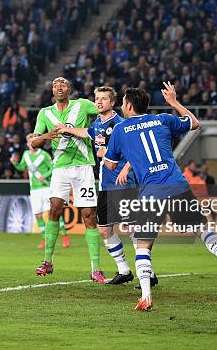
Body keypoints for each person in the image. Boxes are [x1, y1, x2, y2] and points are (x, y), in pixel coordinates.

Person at [104, 84, 217, 311]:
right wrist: (173, 102)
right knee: (202, 228)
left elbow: (111, 163)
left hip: (151, 192)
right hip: (177, 185)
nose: (122, 107)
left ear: (129, 106)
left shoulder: (120, 130)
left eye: (123, 103)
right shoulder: (163, 119)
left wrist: (112, 154)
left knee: (143, 244)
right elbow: (194, 123)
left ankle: (146, 297)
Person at [58, 86, 152, 286]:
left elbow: (134, 152)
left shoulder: (121, 124)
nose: (99, 102)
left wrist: (109, 155)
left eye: (103, 99)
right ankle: (124, 270)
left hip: (123, 183)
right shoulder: (98, 124)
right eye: (96, 98)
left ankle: (148, 273)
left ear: (112, 103)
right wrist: (67, 129)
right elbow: (87, 132)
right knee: (104, 230)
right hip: (105, 185)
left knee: (132, 228)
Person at [30, 77, 104, 283]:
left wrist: (96, 131)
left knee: (89, 215)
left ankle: (95, 269)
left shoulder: (82, 105)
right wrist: (46, 136)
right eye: (55, 85)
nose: (59, 87)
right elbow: (34, 142)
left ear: (69, 89)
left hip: (83, 166)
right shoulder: (45, 113)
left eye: (63, 84)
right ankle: (47, 261)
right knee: (54, 208)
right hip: (60, 168)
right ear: (52, 90)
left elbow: (103, 112)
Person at [11, 133, 70, 249]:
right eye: (30, 141)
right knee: (38, 215)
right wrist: (15, 163)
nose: (33, 143)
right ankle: (44, 239)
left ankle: (64, 236)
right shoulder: (26, 155)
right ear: (28, 144)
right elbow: (22, 168)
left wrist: (45, 175)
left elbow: (53, 167)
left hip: (46, 187)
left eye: (35, 140)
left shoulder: (44, 155)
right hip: (34, 190)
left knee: (53, 212)